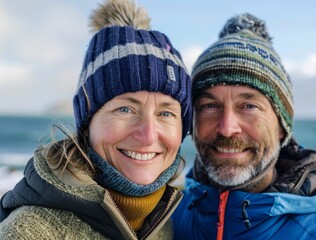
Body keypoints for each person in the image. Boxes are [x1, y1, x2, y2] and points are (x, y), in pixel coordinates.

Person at [0, 0, 191, 239]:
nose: (148, 135)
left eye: (165, 113)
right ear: (87, 123)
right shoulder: (29, 232)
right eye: (125, 109)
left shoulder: (170, 222)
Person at [172, 13, 316, 239]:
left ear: (282, 126)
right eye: (210, 105)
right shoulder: (165, 223)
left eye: (249, 106)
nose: (227, 127)